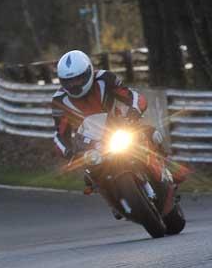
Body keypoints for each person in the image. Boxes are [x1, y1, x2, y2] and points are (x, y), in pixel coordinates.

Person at [51, 50, 186, 197]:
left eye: (78, 79)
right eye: (68, 81)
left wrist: (134, 111)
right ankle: (110, 195)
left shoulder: (104, 79)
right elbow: (60, 134)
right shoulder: (59, 101)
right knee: (89, 175)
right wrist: (69, 152)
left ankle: (168, 166)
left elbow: (132, 96)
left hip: (119, 126)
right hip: (89, 142)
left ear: (89, 72)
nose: (74, 84)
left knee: (152, 134)